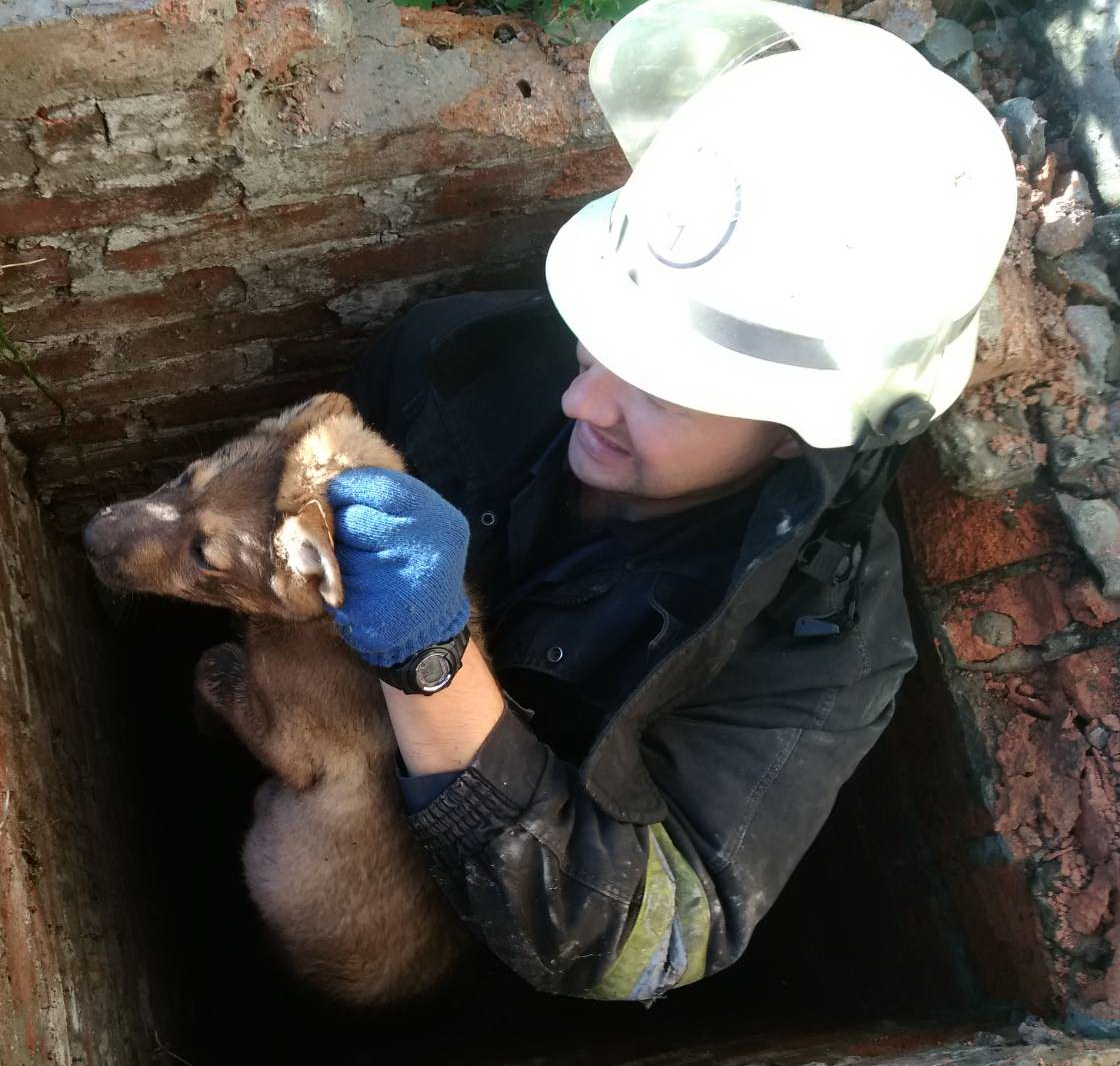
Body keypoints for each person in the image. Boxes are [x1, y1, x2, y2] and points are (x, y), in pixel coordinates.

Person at [323, 0, 1017, 1002]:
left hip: (433, 936)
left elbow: (638, 937)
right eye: (598, 335)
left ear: (799, 423)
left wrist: (431, 662)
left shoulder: (818, 656)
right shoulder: (451, 356)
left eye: (660, 388)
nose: (579, 399)